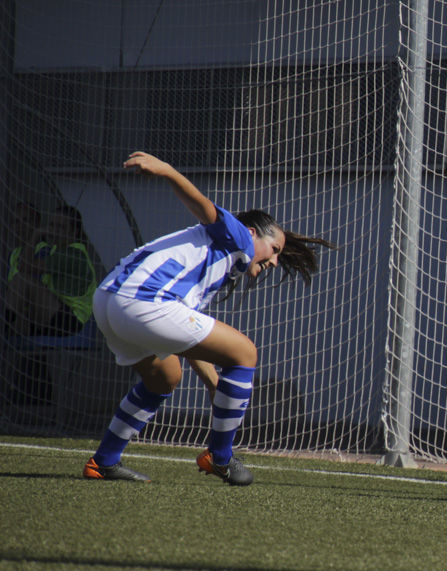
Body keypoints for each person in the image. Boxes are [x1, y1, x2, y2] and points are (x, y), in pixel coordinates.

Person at [83, 151, 334, 485]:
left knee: (164, 378)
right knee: (245, 353)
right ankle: (221, 457)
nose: (274, 262)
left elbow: (183, 336)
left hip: (108, 300)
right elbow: (203, 206)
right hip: (143, 302)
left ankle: (104, 462)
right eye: (274, 250)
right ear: (253, 233)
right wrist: (168, 171)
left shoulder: (213, 258)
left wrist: (212, 382)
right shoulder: (239, 237)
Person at [4, 204, 98, 338]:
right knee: (12, 323)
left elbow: (23, 267)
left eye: (61, 227)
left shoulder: (73, 254)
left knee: (22, 278)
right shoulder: (57, 250)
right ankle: (31, 358)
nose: (54, 231)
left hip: (70, 320)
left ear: (75, 231)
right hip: (49, 316)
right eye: (52, 225)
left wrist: (36, 234)